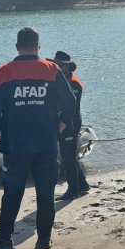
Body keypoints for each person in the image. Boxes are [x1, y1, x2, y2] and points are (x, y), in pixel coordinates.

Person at [0, 28, 76, 249]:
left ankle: (5, 240)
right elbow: (70, 101)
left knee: (12, 193)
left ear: (17, 47)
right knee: (45, 194)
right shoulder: (52, 69)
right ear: (38, 46)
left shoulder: (3, 72)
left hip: (16, 145)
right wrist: (63, 123)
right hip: (46, 143)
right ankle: (43, 240)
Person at [50, 51, 91, 200]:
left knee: (68, 157)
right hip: (64, 121)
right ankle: (83, 185)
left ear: (67, 66)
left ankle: (73, 191)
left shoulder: (74, 83)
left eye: (60, 64)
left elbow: (70, 106)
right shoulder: (60, 80)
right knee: (69, 155)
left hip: (70, 122)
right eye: (55, 64)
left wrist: (64, 122)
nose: (57, 67)